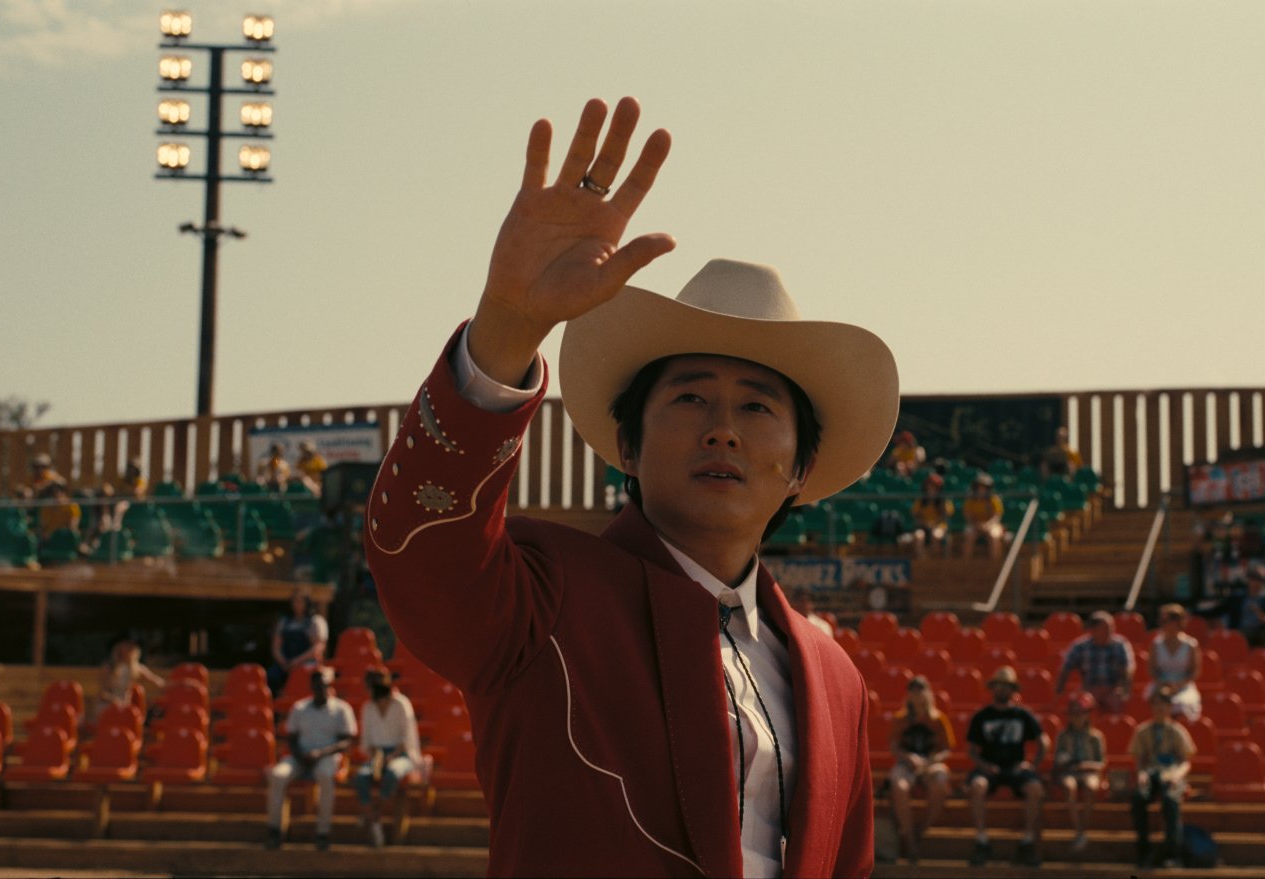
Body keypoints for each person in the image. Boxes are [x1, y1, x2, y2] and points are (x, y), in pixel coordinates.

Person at [363, 97, 887, 876]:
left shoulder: (834, 676)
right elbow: (422, 558)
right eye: (688, 397)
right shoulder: (542, 599)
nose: (723, 429)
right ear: (629, 447)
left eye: (757, 405)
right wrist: (508, 324)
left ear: (800, 469)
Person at [266, 667, 358, 851]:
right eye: (318, 686)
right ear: (312, 687)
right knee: (277, 775)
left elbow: (347, 741)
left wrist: (321, 753)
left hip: (327, 757)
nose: (321, 689)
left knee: (325, 776)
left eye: (325, 685)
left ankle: (322, 833)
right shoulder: (300, 708)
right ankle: (275, 831)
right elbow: (291, 738)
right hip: (300, 756)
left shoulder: (342, 709)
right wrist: (301, 757)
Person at [964, 667, 1048, 868]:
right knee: (976, 786)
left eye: (1007, 686)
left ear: (1013, 690)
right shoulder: (982, 716)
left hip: (1015, 768)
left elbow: (1043, 742)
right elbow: (972, 751)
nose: (1002, 690)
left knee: (1035, 789)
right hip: (989, 767)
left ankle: (1027, 842)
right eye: (999, 686)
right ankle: (981, 841)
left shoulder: (1023, 715)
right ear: (993, 689)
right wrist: (984, 765)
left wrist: (1033, 765)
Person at [888, 675, 956, 865]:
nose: (917, 694)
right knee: (899, 786)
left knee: (941, 780)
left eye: (921, 690)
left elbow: (946, 749)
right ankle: (909, 839)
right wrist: (907, 757)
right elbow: (894, 746)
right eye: (913, 690)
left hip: (930, 763)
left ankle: (923, 828)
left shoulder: (938, 719)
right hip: (906, 764)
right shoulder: (900, 719)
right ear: (908, 695)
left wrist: (930, 760)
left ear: (928, 693)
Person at [1129, 686, 1196, 869]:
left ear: (1169, 707)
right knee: (1138, 798)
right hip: (1151, 773)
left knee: (1170, 801)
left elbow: (1185, 761)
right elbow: (1140, 761)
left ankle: (1172, 853)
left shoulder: (1177, 731)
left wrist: (1176, 776)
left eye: (1163, 705)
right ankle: (1144, 850)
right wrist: (1141, 774)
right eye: (1156, 704)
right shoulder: (1142, 731)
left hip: (1171, 774)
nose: (1159, 709)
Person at [353, 669, 421, 848]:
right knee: (361, 777)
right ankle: (373, 819)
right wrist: (378, 757)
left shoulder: (401, 703)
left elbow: (408, 739)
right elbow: (367, 742)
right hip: (377, 755)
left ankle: (372, 814)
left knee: (392, 772)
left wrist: (391, 756)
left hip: (402, 755)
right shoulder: (367, 707)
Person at [1052, 692, 1106, 853]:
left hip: (1089, 772)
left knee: (1091, 786)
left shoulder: (1096, 737)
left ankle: (1083, 828)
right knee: (1069, 786)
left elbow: (1101, 763)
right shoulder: (1063, 736)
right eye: (1073, 714)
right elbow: (1058, 760)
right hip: (1069, 772)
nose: (1076, 717)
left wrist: (1085, 765)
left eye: (1080, 713)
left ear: (1087, 715)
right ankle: (1078, 830)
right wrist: (1066, 763)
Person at [1057, 611, 1134, 714]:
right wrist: (1059, 691)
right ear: (1093, 630)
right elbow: (1065, 668)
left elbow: (1127, 668)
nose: (1110, 632)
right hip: (1089, 689)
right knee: (1080, 705)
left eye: (1111, 628)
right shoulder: (1080, 646)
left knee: (1118, 704)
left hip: (1112, 689)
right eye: (1105, 629)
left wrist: (1125, 690)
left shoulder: (1120, 645)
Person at [1146, 604, 1202, 722]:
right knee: (1155, 701)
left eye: (1167, 620)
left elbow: (1194, 672)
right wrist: (1163, 684)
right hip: (1160, 684)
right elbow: (1152, 670)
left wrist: (1177, 685)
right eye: (1162, 621)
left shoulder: (1191, 645)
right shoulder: (1156, 644)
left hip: (1183, 686)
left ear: (1177, 622)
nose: (1164, 624)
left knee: (1181, 704)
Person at [269, 588, 330, 696]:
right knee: (272, 675)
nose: (296, 604)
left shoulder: (315, 621)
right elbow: (276, 647)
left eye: (299, 601)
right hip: (286, 663)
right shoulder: (284, 622)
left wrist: (296, 662)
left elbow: (318, 648)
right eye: (294, 601)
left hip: (306, 663)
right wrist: (284, 662)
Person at [94, 633, 164, 714]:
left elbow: (158, 682)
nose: (131, 648)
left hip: (126, 708)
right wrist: (116, 701)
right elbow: (102, 693)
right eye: (127, 645)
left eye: (133, 646)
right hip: (108, 706)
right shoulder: (109, 667)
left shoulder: (137, 668)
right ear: (119, 647)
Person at [908, 473, 955, 558]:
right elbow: (915, 516)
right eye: (929, 487)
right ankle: (924, 561)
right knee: (918, 536)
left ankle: (934, 562)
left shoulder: (943, 500)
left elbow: (946, 516)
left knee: (935, 535)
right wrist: (924, 524)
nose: (931, 489)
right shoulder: (921, 500)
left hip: (939, 526)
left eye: (934, 487)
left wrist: (934, 524)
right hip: (923, 526)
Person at [960, 474, 1006, 562]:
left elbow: (997, 516)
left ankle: (995, 564)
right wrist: (976, 525)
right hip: (974, 525)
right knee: (969, 535)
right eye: (979, 487)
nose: (981, 490)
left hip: (991, 525)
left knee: (994, 536)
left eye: (984, 488)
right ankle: (966, 564)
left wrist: (987, 525)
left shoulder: (994, 499)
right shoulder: (970, 499)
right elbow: (967, 516)